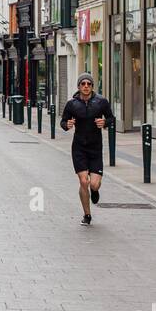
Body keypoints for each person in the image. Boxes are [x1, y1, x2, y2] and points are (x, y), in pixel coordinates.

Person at [60, 73, 114, 226]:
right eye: (83, 83)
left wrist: (104, 122)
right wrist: (67, 125)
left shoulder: (101, 102)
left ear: (92, 86)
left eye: (88, 84)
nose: (85, 86)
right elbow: (63, 121)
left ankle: (95, 191)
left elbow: (111, 119)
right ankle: (87, 214)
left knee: (94, 184)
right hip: (79, 148)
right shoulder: (72, 104)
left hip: (95, 148)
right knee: (84, 181)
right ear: (78, 86)